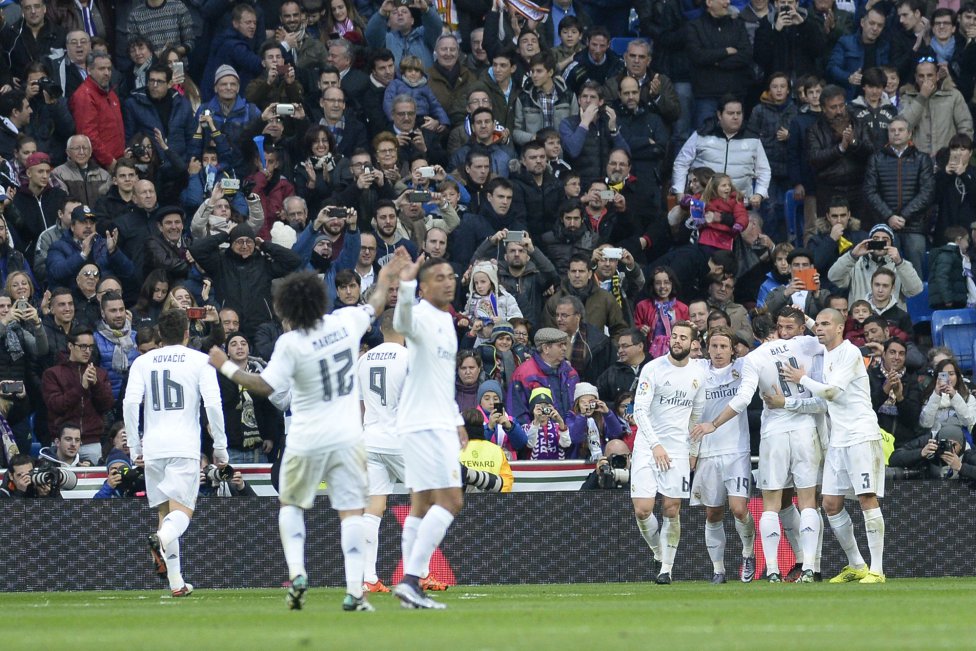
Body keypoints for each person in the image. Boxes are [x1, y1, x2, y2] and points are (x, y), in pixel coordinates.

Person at [209, 253, 405, 611]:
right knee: (352, 512)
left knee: (291, 505)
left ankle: (298, 572)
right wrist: (387, 276)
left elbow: (264, 386)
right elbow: (376, 304)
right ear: (321, 299)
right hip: (347, 436)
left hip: (305, 437)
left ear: (287, 309)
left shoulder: (291, 343)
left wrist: (226, 367)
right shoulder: (346, 322)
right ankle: (355, 591)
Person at [693, 307, 825, 583]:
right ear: (778, 328)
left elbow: (743, 399)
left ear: (754, 334)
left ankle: (773, 569)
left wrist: (713, 424)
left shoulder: (754, 358)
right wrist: (807, 320)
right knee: (808, 502)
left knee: (771, 505)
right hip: (805, 428)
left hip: (774, 432)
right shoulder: (804, 343)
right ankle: (810, 567)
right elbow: (829, 337)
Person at [123, 309, 227, 597]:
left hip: (153, 447)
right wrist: (220, 446)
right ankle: (160, 539)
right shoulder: (200, 360)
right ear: (186, 333)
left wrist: (135, 446)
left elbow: (130, 404)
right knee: (181, 513)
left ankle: (176, 582)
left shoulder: (142, 362)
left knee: (165, 512)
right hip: (183, 445)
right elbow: (213, 404)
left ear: (159, 335)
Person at [778, 308, 887, 584]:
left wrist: (801, 378)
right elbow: (820, 327)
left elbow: (831, 392)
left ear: (840, 328)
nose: (819, 329)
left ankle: (877, 570)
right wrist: (807, 317)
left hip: (861, 435)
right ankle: (857, 564)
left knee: (866, 498)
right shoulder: (828, 350)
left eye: (826, 324)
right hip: (838, 439)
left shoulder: (850, 353)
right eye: (818, 325)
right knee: (830, 503)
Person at [390, 255, 465, 609]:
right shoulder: (419, 314)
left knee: (420, 506)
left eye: (451, 276)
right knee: (451, 501)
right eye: (439, 277)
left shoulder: (447, 319)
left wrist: (457, 419)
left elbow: (442, 380)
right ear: (423, 287)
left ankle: (411, 589)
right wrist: (404, 285)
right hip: (426, 425)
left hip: (434, 421)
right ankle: (410, 579)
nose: (448, 282)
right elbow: (401, 322)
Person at [631, 320, 706, 584]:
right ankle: (658, 552)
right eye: (674, 336)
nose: (677, 341)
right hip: (647, 447)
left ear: (693, 343)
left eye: (683, 338)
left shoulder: (699, 374)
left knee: (671, 510)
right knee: (643, 510)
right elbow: (639, 410)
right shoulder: (653, 368)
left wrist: (693, 450)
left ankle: (666, 570)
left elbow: (696, 414)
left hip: (678, 449)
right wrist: (655, 445)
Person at [690, 326, 756, 584]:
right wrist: (691, 450)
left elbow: (744, 398)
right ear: (707, 348)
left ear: (732, 349)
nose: (718, 351)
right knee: (713, 513)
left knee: (739, 509)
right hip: (707, 452)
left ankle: (748, 553)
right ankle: (718, 569)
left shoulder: (742, 368)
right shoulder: (698, 370)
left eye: (723, 347)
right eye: (714, 346)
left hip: (736, 450)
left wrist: (714, 424)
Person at [356, 310, 408, 594]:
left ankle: (369, 577)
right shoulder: (409, 358)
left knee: (373, 508)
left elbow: (360, 406)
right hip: (400, 439)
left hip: (371, 438)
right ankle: (421, 573)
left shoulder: (364, 360)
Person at [41, 328, 112, 462]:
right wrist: (81, 387)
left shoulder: (100, 373)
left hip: (91, 442)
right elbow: (56, 405)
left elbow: (106, 405)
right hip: (63, 440)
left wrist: (96, 385)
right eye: (83, 346)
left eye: (90, 347)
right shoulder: (52, 374)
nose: (87, 351)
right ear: (70, 346)